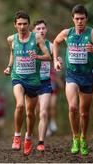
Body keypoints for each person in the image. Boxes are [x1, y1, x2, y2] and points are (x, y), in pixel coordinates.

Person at [53, 4, 93, 156]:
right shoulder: (67, 33)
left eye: (82, 19)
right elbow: (56, 42)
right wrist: (56, 60)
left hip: (87, 76)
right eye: (77, 19)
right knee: (72, 108)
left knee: (84, 113)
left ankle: (83, 137)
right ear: (73, 19)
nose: (79, 22)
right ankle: (75, 137)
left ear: (86, 19)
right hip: (71, 75)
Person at [3, 10, 51, 156]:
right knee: (20, 105)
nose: (22, 27)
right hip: (17, 77)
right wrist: (9, 66)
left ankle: (28, 137)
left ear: (29, 25)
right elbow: (12, 53)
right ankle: (17, 135)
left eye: (25, 24)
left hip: (33, 80)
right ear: (15, 25)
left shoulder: (36, 38)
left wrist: (37, 56)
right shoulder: (11, 39)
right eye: (19, 24)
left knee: (30, 114)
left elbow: (48, 56)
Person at [32, 19, 53, 151]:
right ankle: (28, 135)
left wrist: (59, 61)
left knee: (43, 112)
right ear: (34, 31)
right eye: (38, 29)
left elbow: (55, 58)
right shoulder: (29, 44)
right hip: (31, 82)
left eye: (43, 28)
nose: (41, 31)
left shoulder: (51, 46)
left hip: (45, 82)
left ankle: (41, 142)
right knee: (31, 113)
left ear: (46, 30)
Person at [46, 67, 64, 136]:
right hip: (44, 91)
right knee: (45, 109)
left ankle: (52, 122)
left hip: (53, 91)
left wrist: (58, 80)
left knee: (53, 106)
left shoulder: (54, 70)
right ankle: (47, 127)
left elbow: (61, 85)